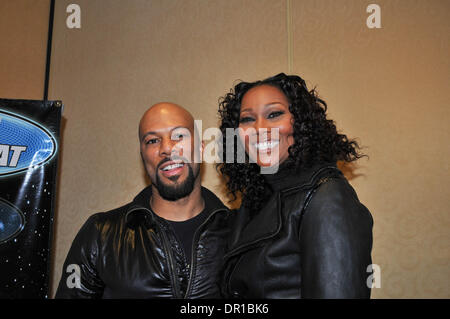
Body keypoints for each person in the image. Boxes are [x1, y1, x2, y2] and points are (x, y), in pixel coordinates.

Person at [217, 73, 373, 298]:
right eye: (247, 119)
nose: (259, 129)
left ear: (301, 123)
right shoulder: (257, 200)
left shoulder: (327, 196)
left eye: (274, 114)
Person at [55, 103, 231, 298]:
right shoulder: (100, 234)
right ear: (143, 156)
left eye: (179, 136)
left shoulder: (238, 231)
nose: (166, 148)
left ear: (200, 148)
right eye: (153, 140)